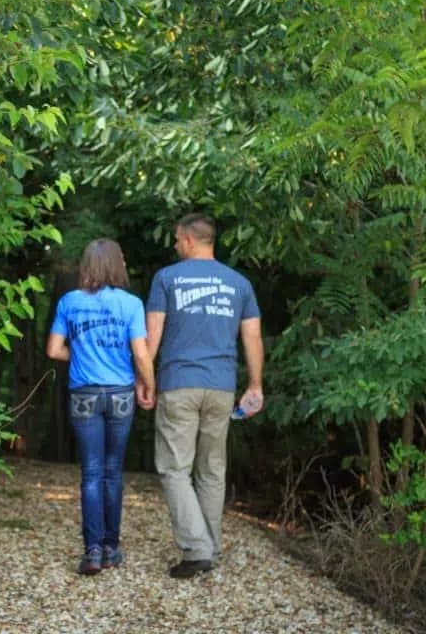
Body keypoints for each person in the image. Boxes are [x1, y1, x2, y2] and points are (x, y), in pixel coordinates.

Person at [139, 213, 264, 579]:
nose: (175, 245)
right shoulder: (239, 283)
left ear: (189, 240)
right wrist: (254, 385)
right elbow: (252, 338)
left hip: (180, 383)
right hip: (223, 386)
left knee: (174, 468)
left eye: (177, 239)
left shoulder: (167, 279)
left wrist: (145, 380)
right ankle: (209, 545)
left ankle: (197, 549)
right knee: (212, 469)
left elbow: (153, 337)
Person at [46, 238, 156, 575]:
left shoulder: (69, 302)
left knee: (91, 473)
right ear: (117, 265)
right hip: (121, 394)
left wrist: (79, 355)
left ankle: (92, 551)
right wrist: (149, 385)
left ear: (87, 266)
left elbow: (53, 350)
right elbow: (140, 353)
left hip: (84, 394)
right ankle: (111, 548)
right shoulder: (131, 304)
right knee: (113, 471)